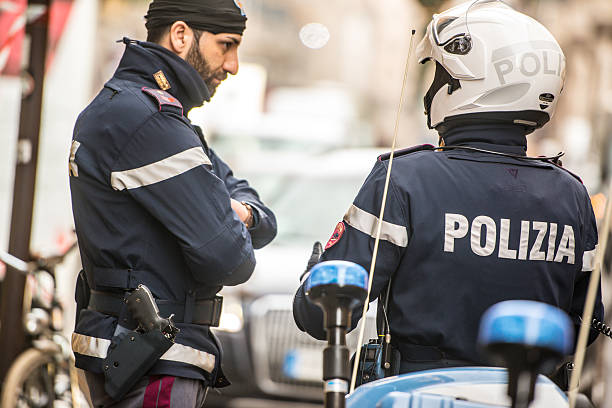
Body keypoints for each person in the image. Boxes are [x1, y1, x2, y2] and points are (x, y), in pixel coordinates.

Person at [293, 0, 603, 377]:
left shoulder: (404, 179)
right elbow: (585, 324)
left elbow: (319, 314)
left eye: (439, 72)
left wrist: (313, 277)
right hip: (535, 394)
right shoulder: (572, 194)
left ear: (468, 79)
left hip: (415, 393)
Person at [68, 0, 277, 406]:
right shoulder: (147, 120)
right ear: (181, 35)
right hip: (152, 360)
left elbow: (262, 216)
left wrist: (241, 212)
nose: (233, 64)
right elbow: (232, 260)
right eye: (226, 45)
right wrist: (230, 211)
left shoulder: (157, 118)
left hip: (142, 354)